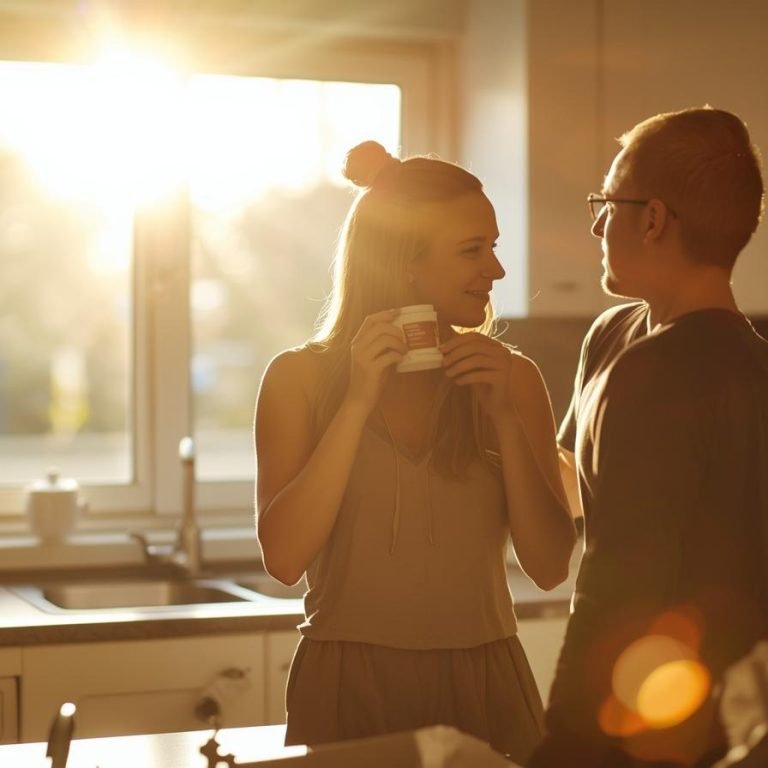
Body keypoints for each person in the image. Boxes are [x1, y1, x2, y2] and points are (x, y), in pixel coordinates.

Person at [254, 140, 577, 761]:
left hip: (486, 684)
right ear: (403, 262)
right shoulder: (298, 379)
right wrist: (355, 403)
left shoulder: (510, 379)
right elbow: (285, 557)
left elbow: (549, 565)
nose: (497, 271)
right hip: (346, 686)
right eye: (472, 250)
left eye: (494, 247)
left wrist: (504, 419)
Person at [530, 106, 768, 768]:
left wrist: (565, 744)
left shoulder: (651, 373)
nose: (600, 222)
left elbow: (616, 585)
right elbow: (577, 494)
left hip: (658, 727)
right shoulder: (615, 337)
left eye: (608, 200)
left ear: (654, 218)